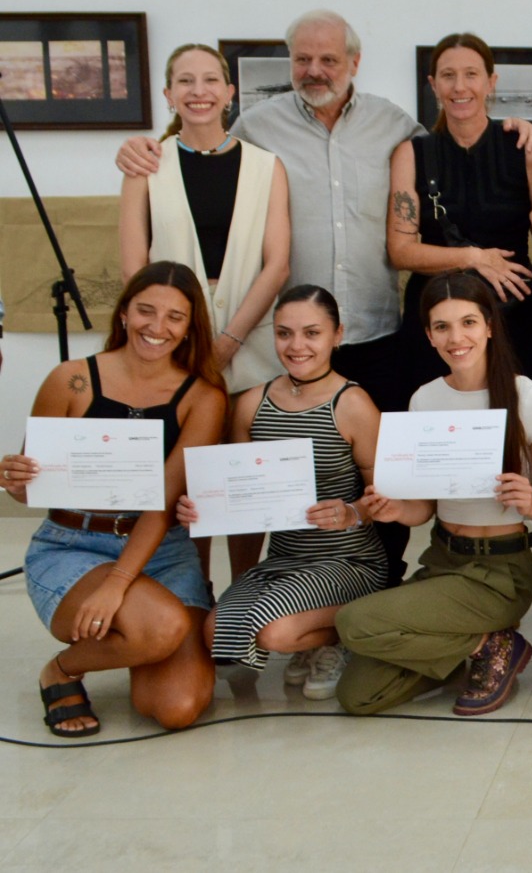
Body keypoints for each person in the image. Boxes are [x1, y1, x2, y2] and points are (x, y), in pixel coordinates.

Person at [114, 11, 532, 585]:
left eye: (329, 60)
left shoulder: (394, 126)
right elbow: (202, 155)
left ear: (355, 63)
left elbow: (458, 141)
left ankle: (377, 581)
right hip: (291, 337)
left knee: (378, 472)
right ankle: (272, 583)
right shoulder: (257, 127)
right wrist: (144, 148)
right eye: (303, 59)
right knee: (271, 470)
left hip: (373, 330)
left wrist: (521, 128)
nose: (315, 71)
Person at [3, 262, 228, 735]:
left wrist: (120, 582)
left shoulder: (202, 396)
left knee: (177, 707)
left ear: (190, 328)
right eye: (146, 311)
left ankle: (135, 637)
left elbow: (167, 499)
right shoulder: (70, 379)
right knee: (161, 628)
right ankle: (63, 670)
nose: (157, 327)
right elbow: (31, 491)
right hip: (75, 546)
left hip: (161, 553)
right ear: (124, 313)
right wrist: (15, 479)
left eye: (175, 317)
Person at [335, 272, 532, 716]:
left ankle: (490, 641)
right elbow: (423, 509)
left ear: (490, 325)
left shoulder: (531, 399)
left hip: (501, 571)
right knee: (358, 696)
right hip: (444, 561)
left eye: (468, 323)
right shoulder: (425, 399)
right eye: (442, 327)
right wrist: (394, 508)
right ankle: (484, 646)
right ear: (428, 335)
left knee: (353, 621)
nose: (456, 337)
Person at [119, 43, 292, 584]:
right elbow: (134, 268)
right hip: (169, 342)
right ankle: (194, 591)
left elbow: (278, 262)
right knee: (188, 476)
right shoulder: (147, 165)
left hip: (250, 340)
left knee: (241, 476)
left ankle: (243, 590)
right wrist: (172, 335)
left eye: (210, 80)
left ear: (229, 92)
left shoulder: (266, 166)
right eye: (185, 82)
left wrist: (230, 339)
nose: (199, 91)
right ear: (169, 93)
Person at [173, 285, 387, 698]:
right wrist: (206, 512)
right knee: (216, 627)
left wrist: (351, 512)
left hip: (347, 558)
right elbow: (240, 503)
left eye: (312, 333)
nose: (296, 345)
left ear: (337, 334)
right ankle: (305, 626)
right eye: (284, 333)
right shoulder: (253, 403)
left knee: (273, 634)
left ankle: (342, 635)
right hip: (284, 559)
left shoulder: (353, 403)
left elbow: (386, 497)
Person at [387, 33, 532, 399]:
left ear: (490, 82)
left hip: (514, 311)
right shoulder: (413, 152)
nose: (460, 86)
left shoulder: (522, 144)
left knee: (520, 432)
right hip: (439, 316)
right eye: (448, 76)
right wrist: (474, 258)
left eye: (471, 74)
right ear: (434, 85)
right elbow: (401, 252)